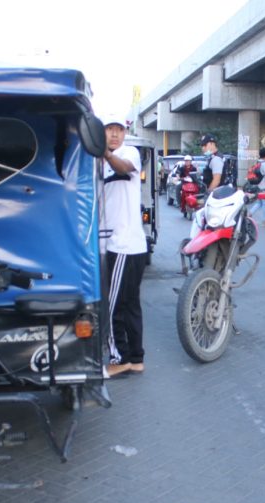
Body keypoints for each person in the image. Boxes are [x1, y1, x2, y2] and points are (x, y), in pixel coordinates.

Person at [101, 114, 147, 377]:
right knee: (129, 305)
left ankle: (119, 358)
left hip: (124, 245)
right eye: (109, 129)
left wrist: (106, 154)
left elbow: (123, 167)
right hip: (125, 246)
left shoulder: (129, 152)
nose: (115, 134)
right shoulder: (98, 161)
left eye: (119, 129)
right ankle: (136, 358)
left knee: (112, 306)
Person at [248, 147, 265, 227]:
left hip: (257, 186)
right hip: (263, 187)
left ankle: (249, 213)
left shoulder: (258, 163)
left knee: (259, 202)